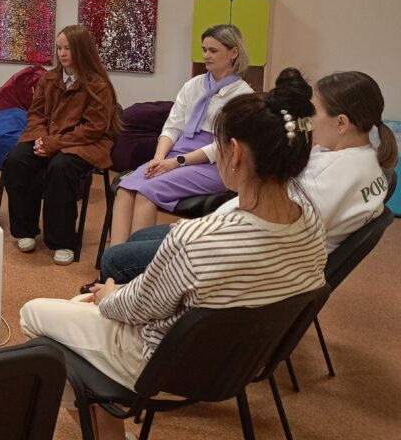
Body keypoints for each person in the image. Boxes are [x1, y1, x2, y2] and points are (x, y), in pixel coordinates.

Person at [20, 69, 327, 440]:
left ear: (235, 153)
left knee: (34, 314)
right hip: (241, 362)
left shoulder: (198, 240)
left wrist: (109, 294)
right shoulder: (311, 223)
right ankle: (108, 428)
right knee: (77, 307)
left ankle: (110, 432)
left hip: (165, 367)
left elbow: (136, 309)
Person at [97, 69, 398, 284]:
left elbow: (273, 227)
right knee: (141, 238)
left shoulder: (335, 175)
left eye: (313, 112)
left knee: (116, 259)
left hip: (256, 260)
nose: (307, 120)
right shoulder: (366, 164)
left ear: (341, 123)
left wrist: (200, 230)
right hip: (257, 246)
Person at [109, 24, 253, 246]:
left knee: (146, 192)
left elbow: (222, 146)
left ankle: (138, 265)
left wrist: (175, 163)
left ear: (234, 52)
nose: (206, 56)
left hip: (213, 165)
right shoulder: (193, 85)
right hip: (175, 155)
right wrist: (159, 158)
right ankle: (114, 260)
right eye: (204, 49)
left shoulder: (243, 95)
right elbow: (172, 127)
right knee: (125, 188)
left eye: (213, 50)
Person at [0, 25, 120, 265]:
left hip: (85, 142)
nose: (62, 53)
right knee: (15, 160)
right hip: (48, 138)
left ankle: (62, 240)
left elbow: (93, 128)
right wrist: (40, 138)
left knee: (60, 168)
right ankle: (25, 230)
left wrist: (54, 143)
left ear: (82, 50)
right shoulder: (49, 78)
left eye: (68, 48)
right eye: (59, 48)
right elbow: (35, 114)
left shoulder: (98, 84)